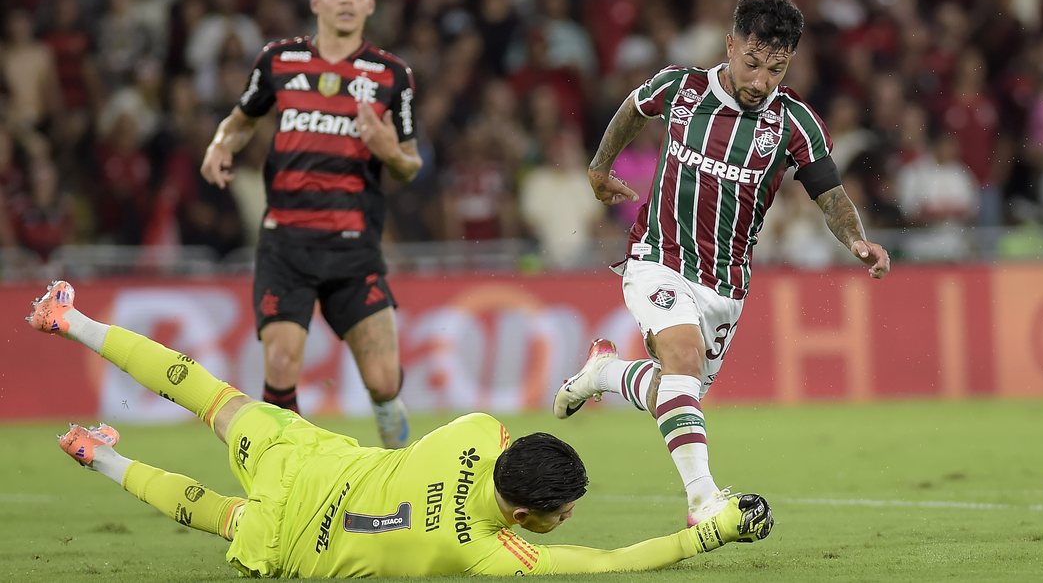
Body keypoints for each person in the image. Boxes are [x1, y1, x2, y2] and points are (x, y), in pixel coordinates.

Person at [29, 280, 774, 577]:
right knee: (207, 511)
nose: (568, 518)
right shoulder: (481, 551)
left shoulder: (479, 432)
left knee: (205, 393)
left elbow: (510, 450)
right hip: (298, 546)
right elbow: (612, 563)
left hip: (306, 460)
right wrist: (707, 534)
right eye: (559, 512)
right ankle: (95, 454)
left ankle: (69, 318)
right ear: (521, 517)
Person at [553, 0, 891, 525]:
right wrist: (599, 167)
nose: (760, 82)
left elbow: (830, 194)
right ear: (730, 45)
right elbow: (632, 109)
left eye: (775, 70)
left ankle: (604, 374)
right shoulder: (681, 87)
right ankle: (703, 501)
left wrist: (856, 239)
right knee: (682, 361)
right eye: (752, 63)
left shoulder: (794, 123)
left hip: (726, 284)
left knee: (676, 389)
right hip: (657, 256)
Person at [200, 0, 422, 448]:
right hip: (286, 244)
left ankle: (397, 446)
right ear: (316, 2)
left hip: (353, 247)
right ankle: (287, 476)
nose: (345, 3)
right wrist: (220, 146)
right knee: (280, 367)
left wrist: (388, 151)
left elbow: (410, 164)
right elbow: (240, 121)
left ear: (369, 4)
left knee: (384, 380)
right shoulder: (279, 61)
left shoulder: (391, 75)